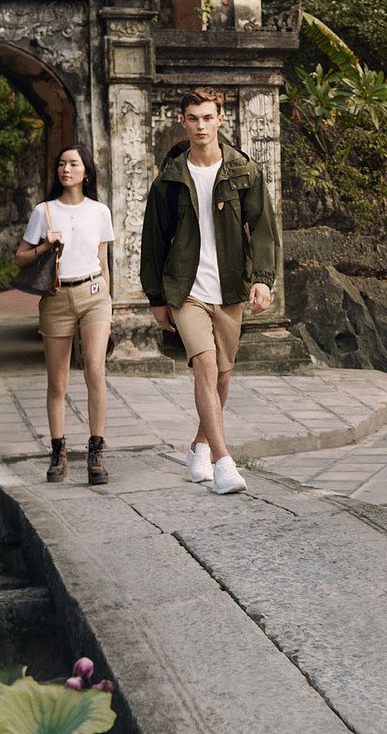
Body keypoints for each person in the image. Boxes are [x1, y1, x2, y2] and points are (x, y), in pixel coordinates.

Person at [139, 87, 279, 495]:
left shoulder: (244, 171)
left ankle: (199, 445)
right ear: (182, 121)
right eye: (193, 118)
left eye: (207, 118)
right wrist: (156, 298)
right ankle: (224, 462)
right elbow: (153, 242)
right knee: (203, 364)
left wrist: (263, 279)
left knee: (222, 376)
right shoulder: (169, 179)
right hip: (185, 288)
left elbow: (264, 229)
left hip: (230, 286)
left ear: (221, 120)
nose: (200, 125)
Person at [14, 143, 116, 486]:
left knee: (95, 371)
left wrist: (109, 299)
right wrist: (45, 245)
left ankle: (96, 451)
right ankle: (58, 450)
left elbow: (102, 260)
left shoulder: (100, 211)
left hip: (94, 296)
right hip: (56, 298)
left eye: (72, 164)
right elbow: (20, 258)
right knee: (57, 383)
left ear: (86, 171)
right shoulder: (44, 211)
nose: (65, 169)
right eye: (61, 164)